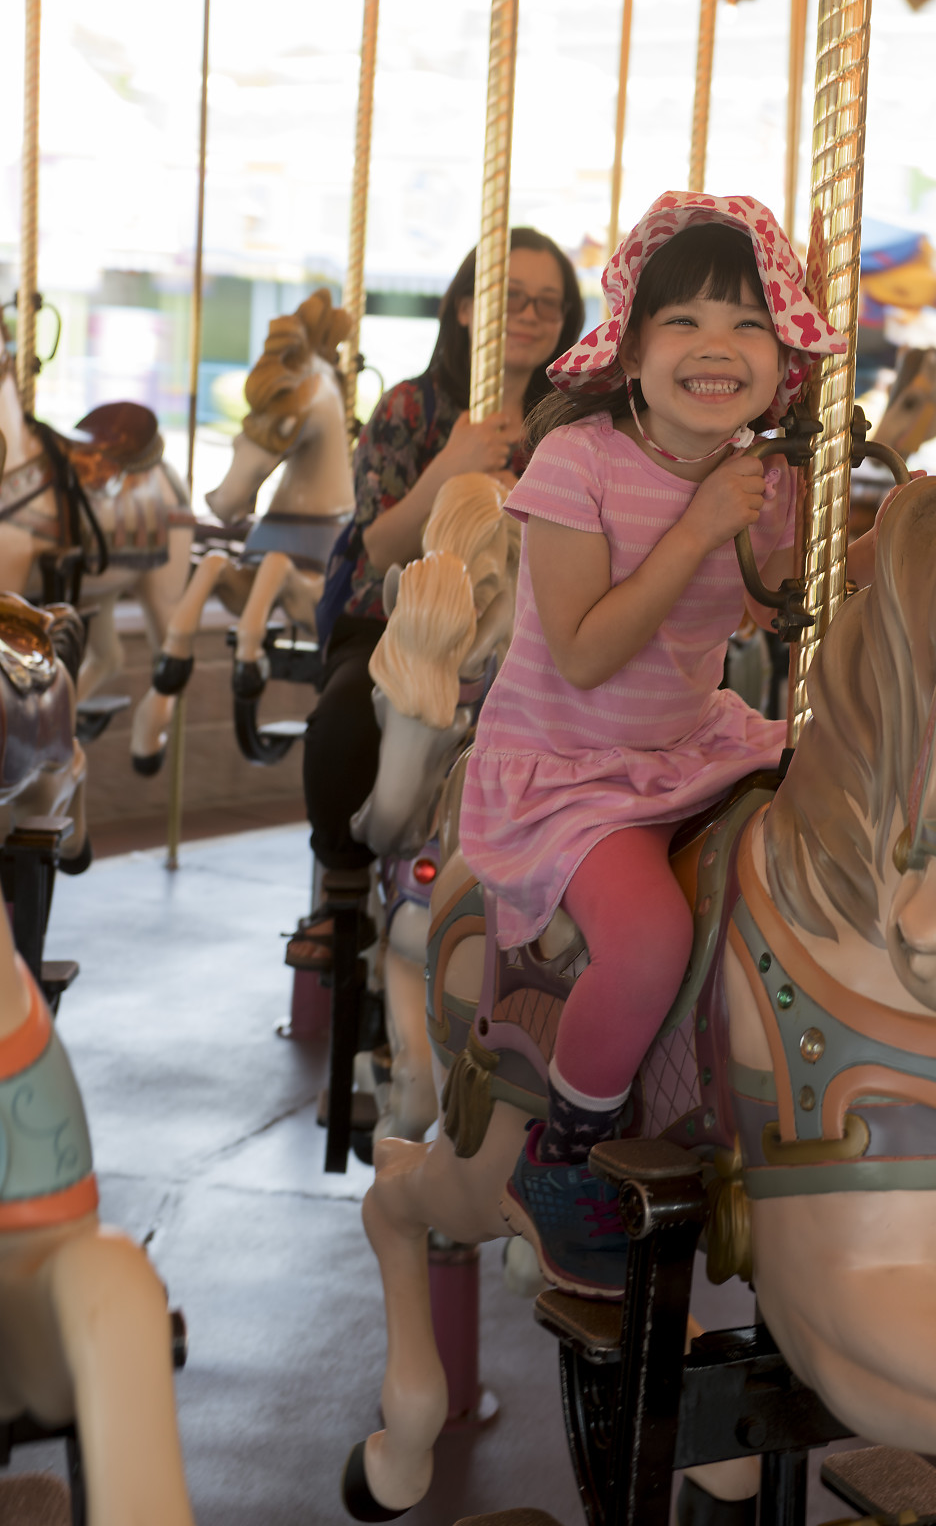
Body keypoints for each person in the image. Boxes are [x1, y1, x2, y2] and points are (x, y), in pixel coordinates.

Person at [459, 192, 845, 1296]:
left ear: (782, 359)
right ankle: (565, 1151)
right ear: (629, 352)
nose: (716, 346)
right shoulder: (575, 463)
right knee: (645, 939)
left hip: (689, 742)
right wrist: (701, 525)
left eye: (749, 323)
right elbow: (583, 651)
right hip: (569, 769)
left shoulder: (765, 478)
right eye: (684, 322)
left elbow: (784, 605)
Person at [287, 228, 584, 970]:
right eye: (510, 297)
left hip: (527, 635)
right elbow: (379, 546)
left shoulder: (571, 426)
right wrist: (450, 468)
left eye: (547, 303)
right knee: (344, 716)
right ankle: (342, 891)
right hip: (400, 620)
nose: (529, 314)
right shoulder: (408, 409)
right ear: (464, 308)